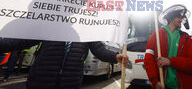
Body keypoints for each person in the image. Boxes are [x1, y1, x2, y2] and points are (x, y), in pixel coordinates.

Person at [0, 39, 128, 89]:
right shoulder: (51, 20)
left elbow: (98, 49)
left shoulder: (87, 28)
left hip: (69, 83)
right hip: (41, 81)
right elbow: (21, 40)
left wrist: (115, 56)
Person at [144, 4, 192, 89]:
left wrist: (170, 61)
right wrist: (154, 81)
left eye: (182, 18)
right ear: (170, 18)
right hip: (162, 86)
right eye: (179, 17)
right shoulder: (157, 34)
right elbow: (148, 59)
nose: (181, 20)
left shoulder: (187, 38)